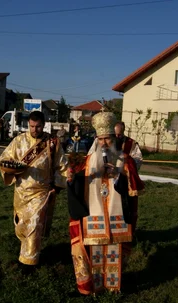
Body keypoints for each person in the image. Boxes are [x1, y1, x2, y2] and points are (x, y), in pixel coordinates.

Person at [66, 111, 134, 295]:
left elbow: (134, 188)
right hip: (93, 216)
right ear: (96, 140)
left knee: (114, 252)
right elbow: (77, 183)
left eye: (108, 139)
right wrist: (72, 180)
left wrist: (118, 176)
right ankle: (95, 287)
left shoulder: (124, 161)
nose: (104, 143)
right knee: (94, 251)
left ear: (114, 138)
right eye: (101, 139)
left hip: (116, 215)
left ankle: (112, 287)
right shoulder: (87, 162)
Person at [0, 111, 68, 270]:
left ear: (44, 125)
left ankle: (29, 262)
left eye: (37, 127)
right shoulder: (19, 140)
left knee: (35, 225)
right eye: (31, 126)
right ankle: (27, 252)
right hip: (21, 191)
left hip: (41, 192)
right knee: (22, 225)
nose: (34, 130)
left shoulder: (52, 143)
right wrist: (10, 167)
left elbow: (62, 165)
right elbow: (5, 158)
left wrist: (57, 186)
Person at [114, 121, 145, 234]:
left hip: (127, 179)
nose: (117, 136)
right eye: (115, 134)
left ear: (123, 131)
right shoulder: (109, 141)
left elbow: (138, 159)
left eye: (119, 134)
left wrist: (128, 161)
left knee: (128, 205)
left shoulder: (131, 143)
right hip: (111, 178)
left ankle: (129, 232)